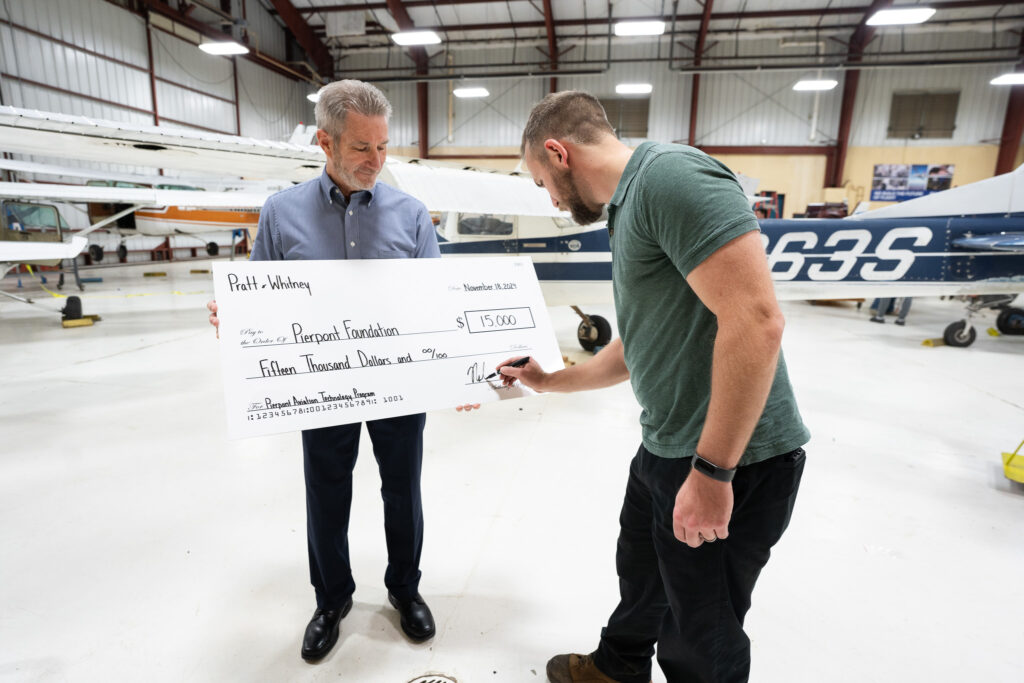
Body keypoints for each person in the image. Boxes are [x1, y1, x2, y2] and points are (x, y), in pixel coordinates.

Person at [501, 91, 810, 683]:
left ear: (557, 153)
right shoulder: (629, 208)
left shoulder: (669, 178)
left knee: (702, 630)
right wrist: (549, 380)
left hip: (730, 459)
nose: (552, 200)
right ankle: (618, 667)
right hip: (666, 448)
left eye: (543, 183)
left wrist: (715, 472)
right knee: (643, 576)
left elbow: (757, 322)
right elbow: (635, 346)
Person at [207, 80, 477, 662]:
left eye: (383, 147)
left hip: (399, 384)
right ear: (325, 142)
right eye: (361, 148)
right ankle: (331, 600)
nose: (376, 162)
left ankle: (405, 590)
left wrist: (465, 372)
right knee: (326, 493)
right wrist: (237, 313)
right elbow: (263, 299)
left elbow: (438, 308)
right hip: (320, 387)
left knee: (402, 490)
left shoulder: (411, 216)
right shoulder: (281, 213)